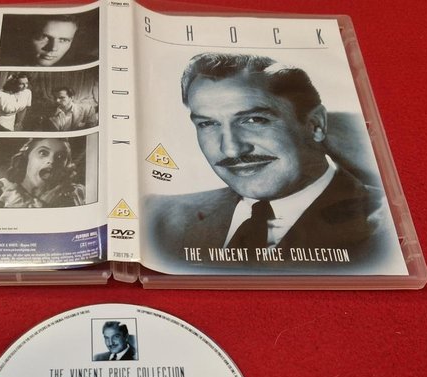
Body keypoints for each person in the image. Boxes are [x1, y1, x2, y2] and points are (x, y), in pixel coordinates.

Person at [144, 53, 399, 271]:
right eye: (208, 124)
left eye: (254, 120)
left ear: (315, 125)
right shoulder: (157, 216)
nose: (231, 148)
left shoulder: (389, 234)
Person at [0, 138, 86, 208]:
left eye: (61, 157)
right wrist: (43, 204)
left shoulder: (78, 194)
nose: (51, 161)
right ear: (27, 157)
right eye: (43, 153)